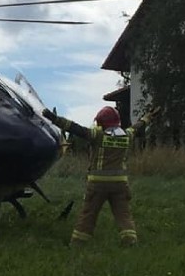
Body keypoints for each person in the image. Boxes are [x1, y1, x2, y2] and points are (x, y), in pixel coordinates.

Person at [42, 105, 158, 247]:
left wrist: (54, 119)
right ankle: (130, 241)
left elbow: (75, 128)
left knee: (89, 214)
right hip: (120, 184)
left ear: (102, 123)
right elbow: (138, 126)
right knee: (123, 215)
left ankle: (77, 243)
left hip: (98, 185)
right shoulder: (127, 136)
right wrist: (148, 117)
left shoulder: (98, 136)